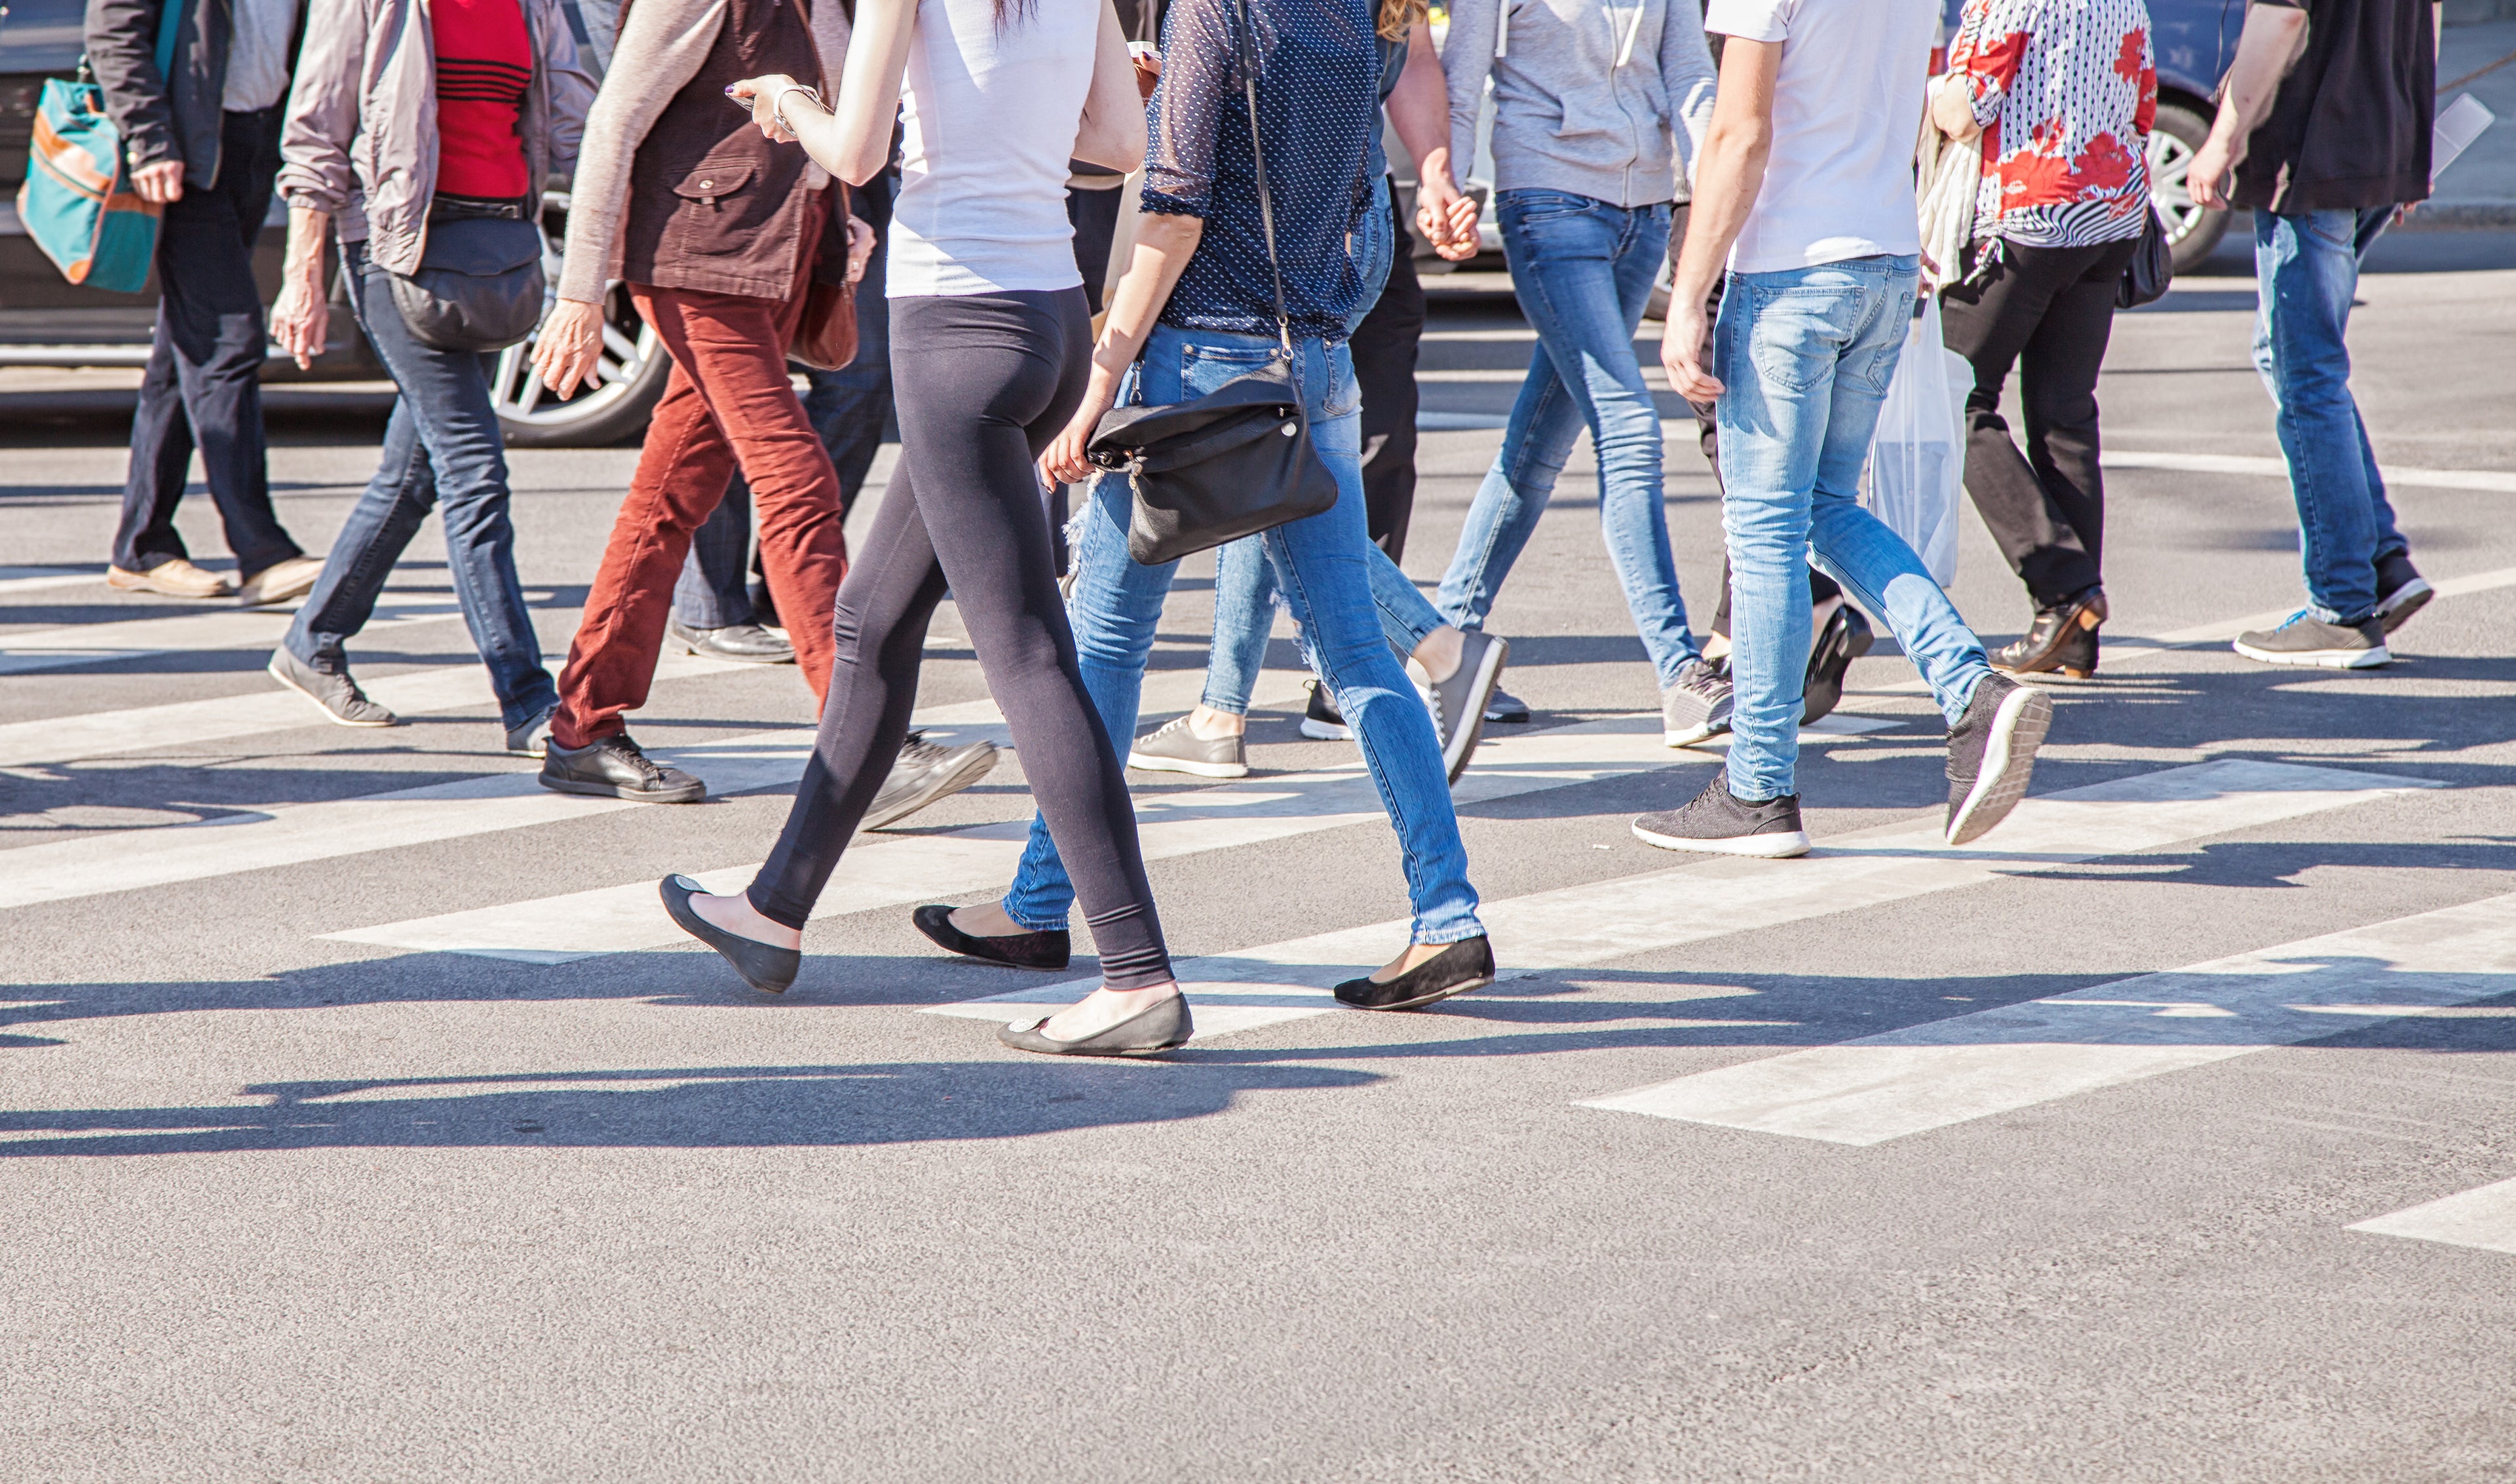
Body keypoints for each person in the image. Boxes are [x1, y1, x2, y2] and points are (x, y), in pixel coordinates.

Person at [927, 0, 1499, 1018]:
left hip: (1200, 358)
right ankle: (1447, 916)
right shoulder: (1354, 14)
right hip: (1311, 355)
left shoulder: (1214, 10)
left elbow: (1177, 206)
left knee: (1102, 645)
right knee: (1359, 655)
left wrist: (1101, 380)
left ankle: (1046, 906)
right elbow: (1342, 183)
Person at [662, 0, 1199, 1057]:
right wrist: (1017, 130)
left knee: (1029, 655)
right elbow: (1120, 143)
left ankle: (1136, 973)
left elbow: (856, 150)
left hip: (955, 321)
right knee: (870, 618)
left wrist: (789, 105)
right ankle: (775, 908)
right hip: (1048, 312)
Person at [1643, 0, 2054, 858]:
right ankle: (1966, 684)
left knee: (1764, 529)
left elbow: (1739, 134)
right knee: (1824, 507)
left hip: (1790, 270)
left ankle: (1758, 789)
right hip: (1882, 258)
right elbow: (1916, 107)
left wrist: (1686, 297)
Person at [1118, 0, 1496, 782]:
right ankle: (1222, 710)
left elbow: (1182, 197)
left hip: (1278, 234)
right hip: (1345, 217)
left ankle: (1439, 645)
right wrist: (1434, 173)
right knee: (1262, 461)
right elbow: (1410, 49)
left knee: (1256, 458)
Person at [530, 0, 864, 803]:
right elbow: (614, 120)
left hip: (775, 259)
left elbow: (832, 126)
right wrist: (581, 292)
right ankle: (862, 742)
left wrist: (843, 223)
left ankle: (583, 727)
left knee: (668, 495)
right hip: (695, 259)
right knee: (796, 478)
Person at [262, 0, 592, 750]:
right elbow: (315, 131)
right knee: (473, 471)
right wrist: (302, 276)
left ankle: (311, 642)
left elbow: (575, 120)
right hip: (397, 252)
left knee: (413, 472)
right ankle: (526, 698)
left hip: (492, 250)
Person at [1424, 0, 1733, 748]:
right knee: (1629, 429)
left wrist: (1718, 189)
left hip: (1644, 211)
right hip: (1549, 200)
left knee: (1537, 447)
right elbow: (1462, 75)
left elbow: (1691, 76)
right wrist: (1451, 186)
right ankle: (1679, 675)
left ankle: (1448, 651)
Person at [2190, 0, 2437, 669]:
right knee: (2297, 362)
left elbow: (2281, 18)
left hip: (2314, 152)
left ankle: (2341, 606)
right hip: (2379, 138)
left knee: (2306, 374)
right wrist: (2416, 142)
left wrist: (2222, 138)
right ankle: (2379, 561)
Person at [1932, 0, 2155, 679]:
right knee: (2065, 415)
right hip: (2112, 211)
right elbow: (2143, 106)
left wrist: (1926, 91)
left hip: (2028, 215)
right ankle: (2074, 633)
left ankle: (2064, 587)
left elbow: (1967, 108)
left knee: (1954, 401)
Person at [88, 0, 325, 607]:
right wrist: (150, 138)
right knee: (227, 339)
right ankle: (261, 550)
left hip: (256, 139)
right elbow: (113, 30)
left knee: (185, 346)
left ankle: (142, 547)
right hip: (186, 147)